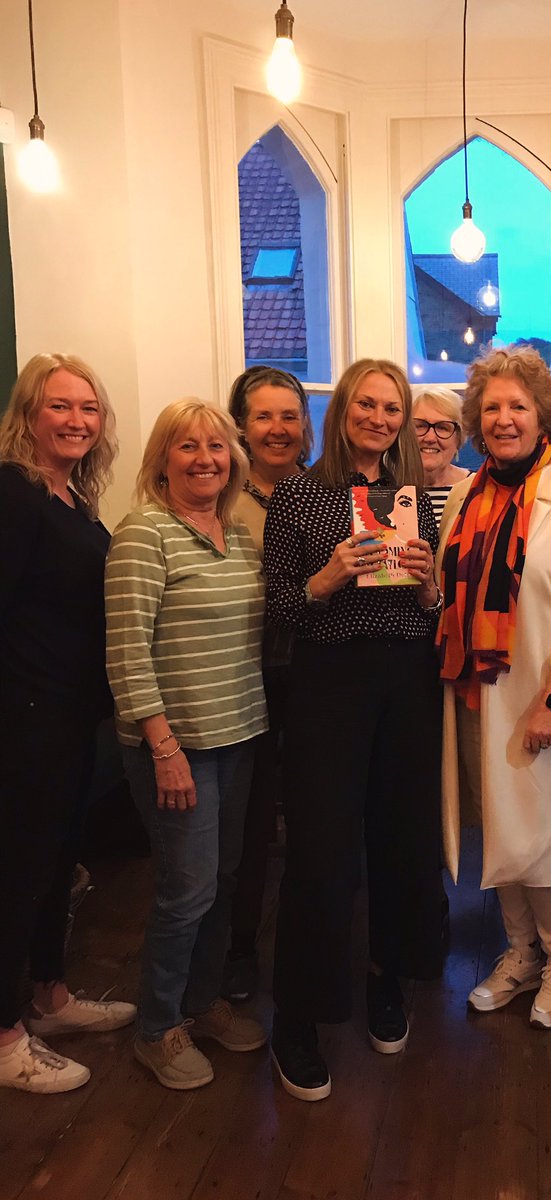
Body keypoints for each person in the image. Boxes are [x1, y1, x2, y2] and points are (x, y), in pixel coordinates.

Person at [264, 358, 444, 1102]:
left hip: (405, 680)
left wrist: (433, 586)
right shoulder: (301, 497)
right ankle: (298, 1016)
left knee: (402, 839)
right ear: (342, 411)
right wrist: (328, 576)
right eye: (366, 404)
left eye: (392, 407)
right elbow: (280, 603)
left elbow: (430, 608)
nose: (379, 417)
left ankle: (385, 978)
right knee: (321, 850)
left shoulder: (409, 497)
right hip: (328, 683)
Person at [436, 346, 551, 1030]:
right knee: (496, 828)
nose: (504, 419)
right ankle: (520, 954)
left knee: (541, 834)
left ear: (544, 417)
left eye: (518, 407)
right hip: (474, 692)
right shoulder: (464, 494)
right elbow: (455, 591)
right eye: (492, 408)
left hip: (544, 693)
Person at [105, 400, 269, 1091]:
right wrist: (163, 746)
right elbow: (125, 652)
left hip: (239, 734)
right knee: (186, 891)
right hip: (178, 746)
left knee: (223, 881)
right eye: (187, 447)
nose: (206, 458)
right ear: (161, 460)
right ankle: (156, 1027)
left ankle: (201, 1005)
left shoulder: (238, 534)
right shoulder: (145, 532)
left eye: (217, 446)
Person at [0, 353, 134, 1095]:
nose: (77, 420)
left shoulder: (74, 500)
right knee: (17, 874)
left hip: (69, 717)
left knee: (56, 865)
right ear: (29, 414)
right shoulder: (14, 496)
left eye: (89, 408)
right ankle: (5, 1035)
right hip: (22, 721)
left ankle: (49, 996)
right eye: (60, 406)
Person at [222, 366, 314, 1003]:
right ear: (240, 427)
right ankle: (237, 949)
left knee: (314, 816)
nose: (278, 429)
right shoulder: (217, 496)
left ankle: (311, 942)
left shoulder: (324, 495)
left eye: (290, 416)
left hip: (311, 677)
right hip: (240, 680)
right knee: (248, 825)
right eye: (264, 416)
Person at [412, 385, 472, 523]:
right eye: (420, 426)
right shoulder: (385, 489)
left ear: (458, 438)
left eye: (442, 428)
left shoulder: (478, 489)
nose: (430, 438)